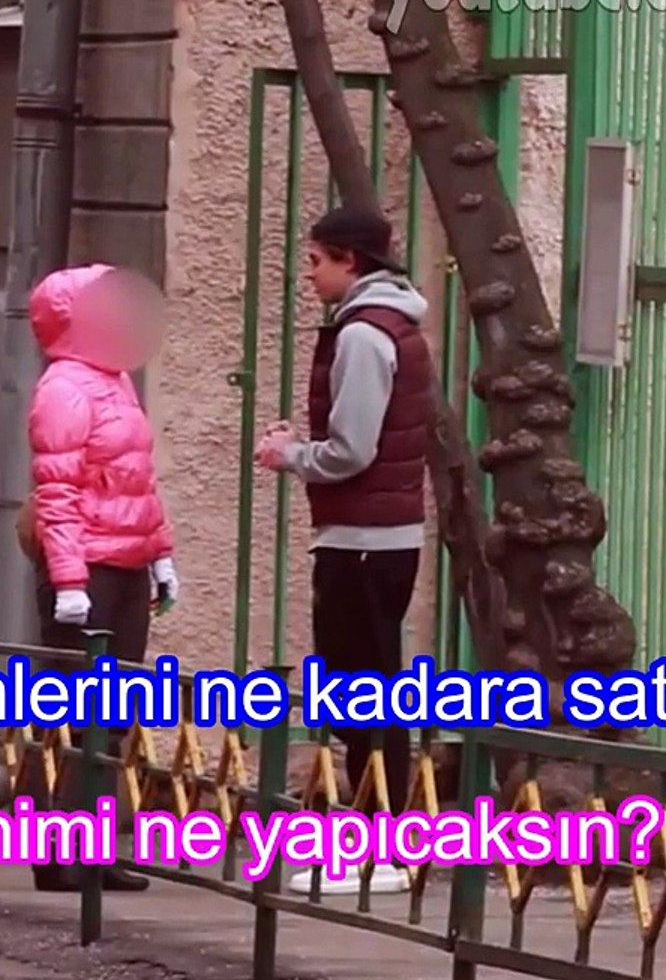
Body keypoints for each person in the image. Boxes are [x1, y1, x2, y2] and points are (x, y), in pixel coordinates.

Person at [255, 206, 432, 896]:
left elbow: (353, 449)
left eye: (317, 260)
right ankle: (379, 845)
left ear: (350, 260)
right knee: (371, 691)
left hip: (362, 541)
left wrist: (291, 455)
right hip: (381, 537)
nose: (309, 273)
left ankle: (377, 852)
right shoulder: (393, 323)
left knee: (363, 697)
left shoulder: (363, 333)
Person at [22, 262, 178, 894]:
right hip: (86, 572)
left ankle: (95, 848)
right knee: (69, 713)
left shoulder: (116, 383)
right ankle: (56, 853)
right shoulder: (63, 389)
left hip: (126, 566)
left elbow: (137, 479)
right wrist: (68, 580)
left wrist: (159, 553)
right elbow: (57, 491)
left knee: (112, 714)